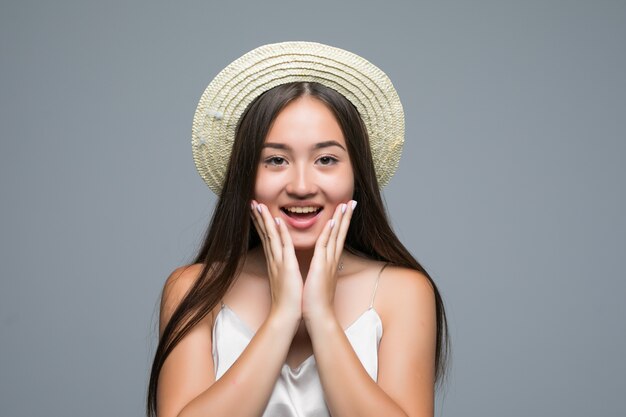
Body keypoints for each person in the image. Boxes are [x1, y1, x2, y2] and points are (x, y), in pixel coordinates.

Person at [147, 41, 449, 417]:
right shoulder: (194, 290)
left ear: (356, 174)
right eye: (276, 160)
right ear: (246, 176)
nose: (302, 185)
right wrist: (283, 315)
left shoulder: (402, 292)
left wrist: (321, 316)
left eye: (326, 159)